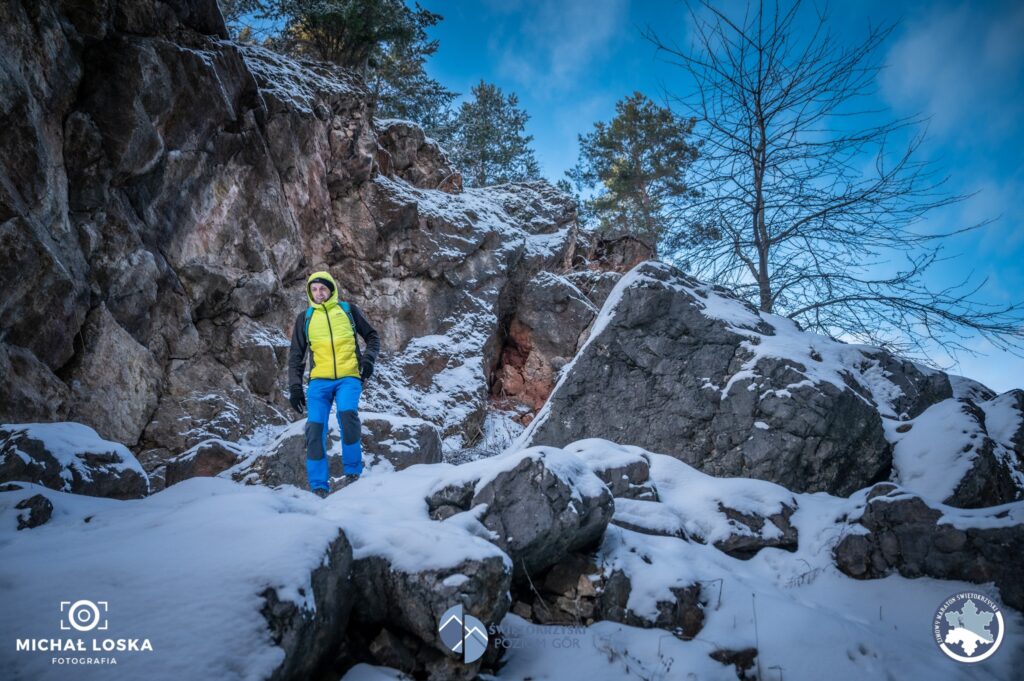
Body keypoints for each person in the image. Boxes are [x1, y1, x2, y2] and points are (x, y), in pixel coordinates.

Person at [287, 271, 380, 498]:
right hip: (319, 382)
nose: (318, 293)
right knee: (314, 428)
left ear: (331, 290)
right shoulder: (305, 318)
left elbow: (372, 337)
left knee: (347, 415)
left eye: (322, 288)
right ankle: (319, 486)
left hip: (349, 377)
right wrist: (295, 387)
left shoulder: (347, 311)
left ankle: (353, 474)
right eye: (314, 289)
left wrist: (368, 361)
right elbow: (296, 356)